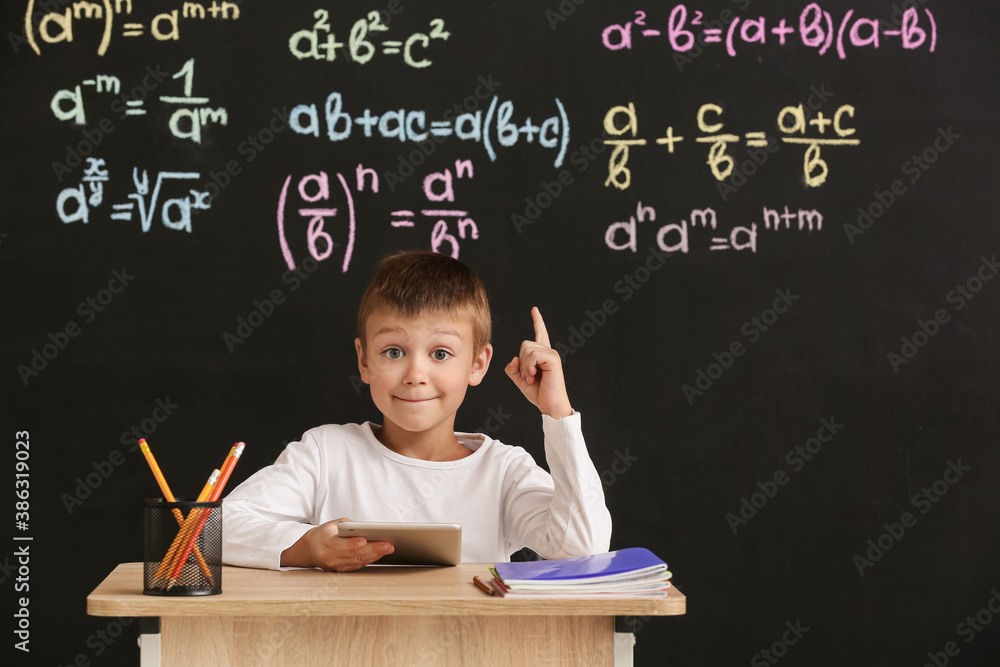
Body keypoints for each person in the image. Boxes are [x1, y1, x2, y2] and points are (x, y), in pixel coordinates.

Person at [222, 250, 611, 571]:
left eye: (440, 354)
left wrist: (558, 413)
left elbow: (583, 549)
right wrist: (307, 547)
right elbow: (215, 529)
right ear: (364, 360)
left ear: (477, 364)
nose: (415, 375)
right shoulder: (325, 454)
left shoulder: (503, 471)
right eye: (394, 352)